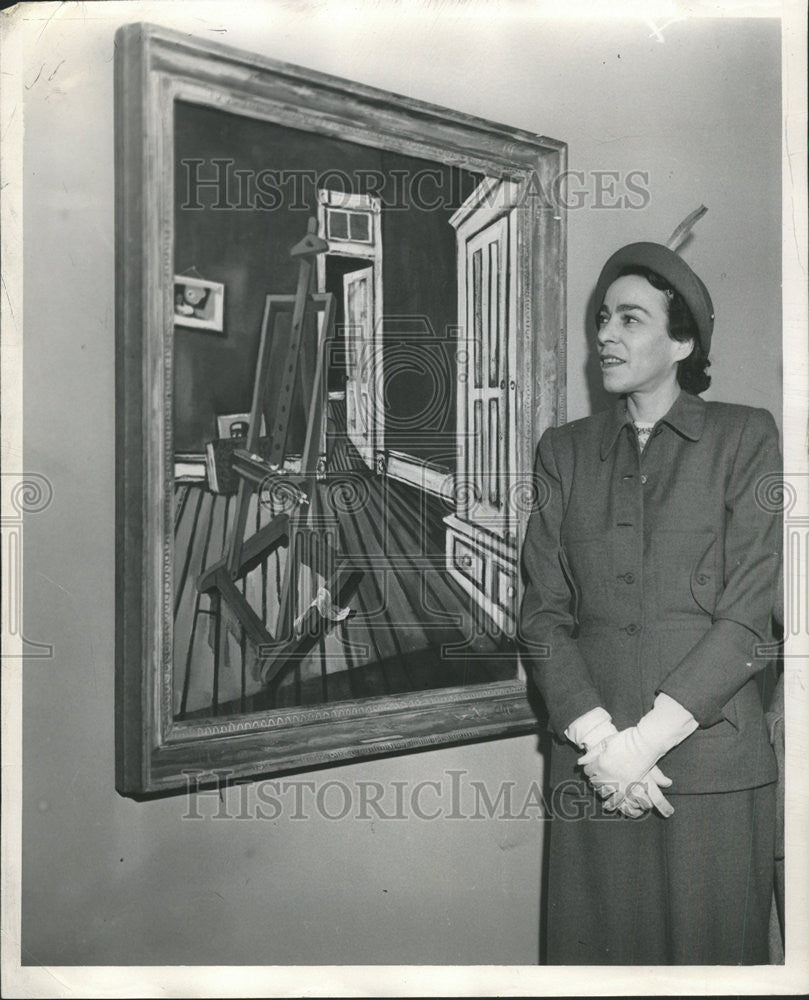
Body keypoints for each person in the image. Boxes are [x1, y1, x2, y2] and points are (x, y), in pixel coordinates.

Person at [520, 238, 781, 965]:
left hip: (709, 772)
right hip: (590, 775)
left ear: (681, 340)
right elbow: (542, 614)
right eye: (602, 317)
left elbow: (750, 615)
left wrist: (643, 744)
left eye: (629, 319)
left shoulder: (744, 436)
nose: (604, 333)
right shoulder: (562, 452)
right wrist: (602, 746)